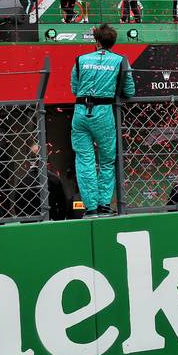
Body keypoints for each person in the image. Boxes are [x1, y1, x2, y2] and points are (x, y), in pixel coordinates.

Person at [70, 24, 136, 217]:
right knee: (107, 161)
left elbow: (75, 89)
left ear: (96, 41)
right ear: (113, 42)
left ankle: (90, 209)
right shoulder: (121, 60)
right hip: (105, 112)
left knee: (84, 161)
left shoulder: (80, 60)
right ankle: (104, 206)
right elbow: (129, 91)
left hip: (80, 112)